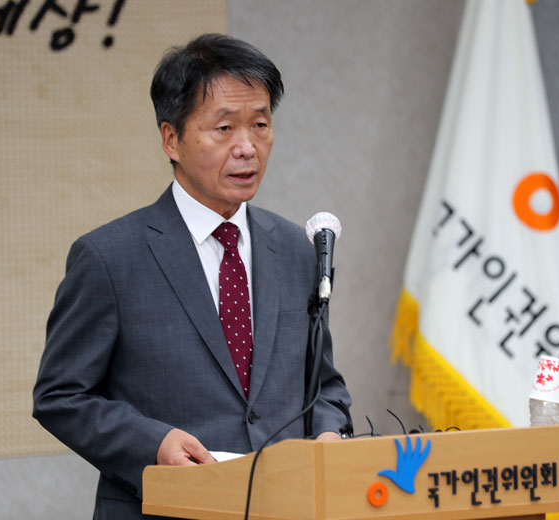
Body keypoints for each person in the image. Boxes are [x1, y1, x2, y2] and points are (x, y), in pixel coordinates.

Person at [33, 33, 352, 520]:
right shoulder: (109, 257)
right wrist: (153, 442)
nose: (247, 148)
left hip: (287, 506)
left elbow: (323, 385)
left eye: (260, 124)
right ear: (171, 139)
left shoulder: (295, 248)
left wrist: (330, 432)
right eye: (224, 128)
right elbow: (61, 397)